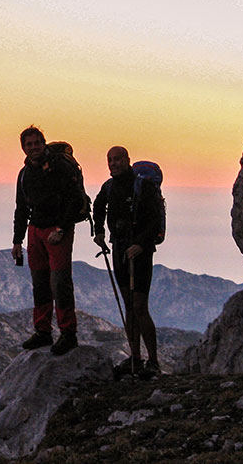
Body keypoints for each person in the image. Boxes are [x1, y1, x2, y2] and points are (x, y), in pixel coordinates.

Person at [12, 125, 86, 356]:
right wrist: (17, 240)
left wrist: (62, 229)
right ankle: (43, 331)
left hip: (57, 230)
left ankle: (68, 334)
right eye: (29, 144)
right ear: (23, 148)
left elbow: (74, 200)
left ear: (43, 143)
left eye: (37, 143)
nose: (33, 147)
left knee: (60, 282)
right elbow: (21, 208)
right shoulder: (24, 175)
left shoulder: (60, 168)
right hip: (36, 230)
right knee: (40, 282)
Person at [93, 146, 161, 374]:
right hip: (120, 249)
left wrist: (140, 243)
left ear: (127, 160)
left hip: (140, 253)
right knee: (129, 307)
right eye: (110, 160)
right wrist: (99, 231)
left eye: (118, 159)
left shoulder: (143, 186)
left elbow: (154, 220)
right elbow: (98, 206)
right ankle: (136, 359)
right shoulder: (109, 187)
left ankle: (153, 362)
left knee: (140, 306)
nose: (113, 163)